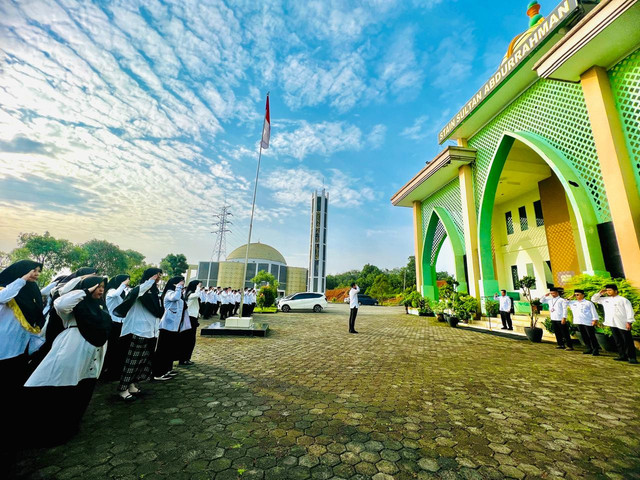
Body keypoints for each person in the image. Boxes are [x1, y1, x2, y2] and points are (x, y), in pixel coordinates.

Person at [25, 275, 111, 444]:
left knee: (82, 388)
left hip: (93, 351)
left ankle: (71, 425)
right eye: (97, 286)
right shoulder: (74, 307)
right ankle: (52, 431)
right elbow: (61, 304)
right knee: (62, 387)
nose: (100, 289)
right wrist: (85, 291)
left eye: (102, 286)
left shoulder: (100, 306)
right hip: (72, 348)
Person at [114, 268, 163, 401]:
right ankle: (123, 389)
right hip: (138, 331)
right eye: (156, 275)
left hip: (150, 332)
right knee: (131, 362)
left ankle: (131, 384)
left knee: (141, 362)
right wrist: (149, 281)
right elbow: (139, 291)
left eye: (159, 276)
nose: (158, 278)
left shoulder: (154, 292)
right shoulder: (140, 290)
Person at [0, 260, 45, 391]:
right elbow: (4, 297)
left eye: (38, 271)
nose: (36, 274)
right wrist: (23, 279)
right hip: (4, 344)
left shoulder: (31, 290)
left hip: (21, 343)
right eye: (33, 270)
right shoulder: (5, 287)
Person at [154, 276, 190, 379]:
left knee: (170, 350)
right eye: (181, 282)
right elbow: (175, 298)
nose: (182, 284)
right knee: (163, 350)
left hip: (175, 326)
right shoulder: (170, 293)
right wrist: (178, 288)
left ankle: (167, 369)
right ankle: (158, 372)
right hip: (167, 326)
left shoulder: (178, 293)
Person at [592, 284, 637, 364]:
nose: (608, 292)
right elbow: (594, 299)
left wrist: (629, 322)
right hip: (612, 323)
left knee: (627, 340)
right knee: (618, 340)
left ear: (616, 291)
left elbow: (629, 311)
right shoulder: (605, 299)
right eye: (607, 290)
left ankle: (632, 357)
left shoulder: (623, 300)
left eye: (610, 290)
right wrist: (600, 293)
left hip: (622, 323)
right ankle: (622, 355)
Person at [101, 274, 130, 380]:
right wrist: (123, 285)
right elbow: (116, 294)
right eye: (127, 280)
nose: (128, 282)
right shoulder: (111, 291)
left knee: (116, 349)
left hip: (120, 323)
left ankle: (113, 371)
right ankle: (105, 371)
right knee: (111, 348)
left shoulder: (122, 292)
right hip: (112, 323)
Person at [568, 289, 600, 356]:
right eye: (575, 295)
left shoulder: (588, 303)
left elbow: (593, 311)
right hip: (579, 321)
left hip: (588, 321)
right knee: (584, 336)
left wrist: (595, 320)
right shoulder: (573, 302)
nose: (577, 296)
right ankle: (588, 348)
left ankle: (595, 349)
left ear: (583, 295)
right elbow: (564, 302)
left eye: (578, 294)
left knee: (591, 336)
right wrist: (571, 297)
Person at [180, 280, 201, 366]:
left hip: (192, 318)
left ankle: (186, 358)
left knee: (190, 340)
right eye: (199, 285)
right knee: (188, 339)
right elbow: (197, 294)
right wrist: (198, 287)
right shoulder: (191, 294)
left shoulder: (190, 294)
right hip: (190, 319)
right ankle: (184, 358)